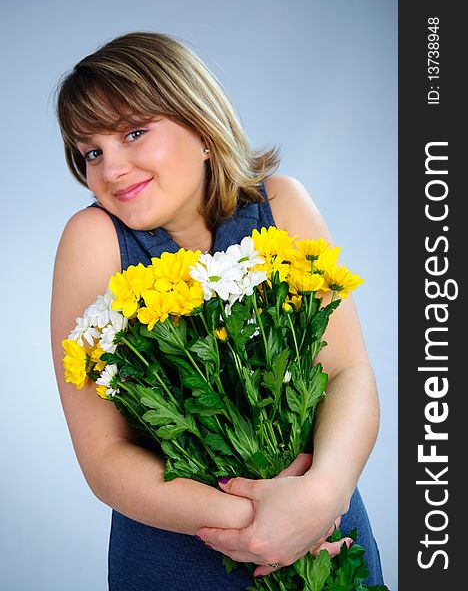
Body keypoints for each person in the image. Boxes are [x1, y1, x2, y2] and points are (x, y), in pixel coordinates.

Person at [50, 31, 384, 590]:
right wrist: (261, 523)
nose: (112, 168)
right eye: (92, 152)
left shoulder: (281, 204)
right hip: (185, 559)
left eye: (134, 132)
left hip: (327, 532)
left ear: (201, 127)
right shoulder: (94, 239)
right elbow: (104, 457)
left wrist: (322, 495)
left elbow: (348, 373)